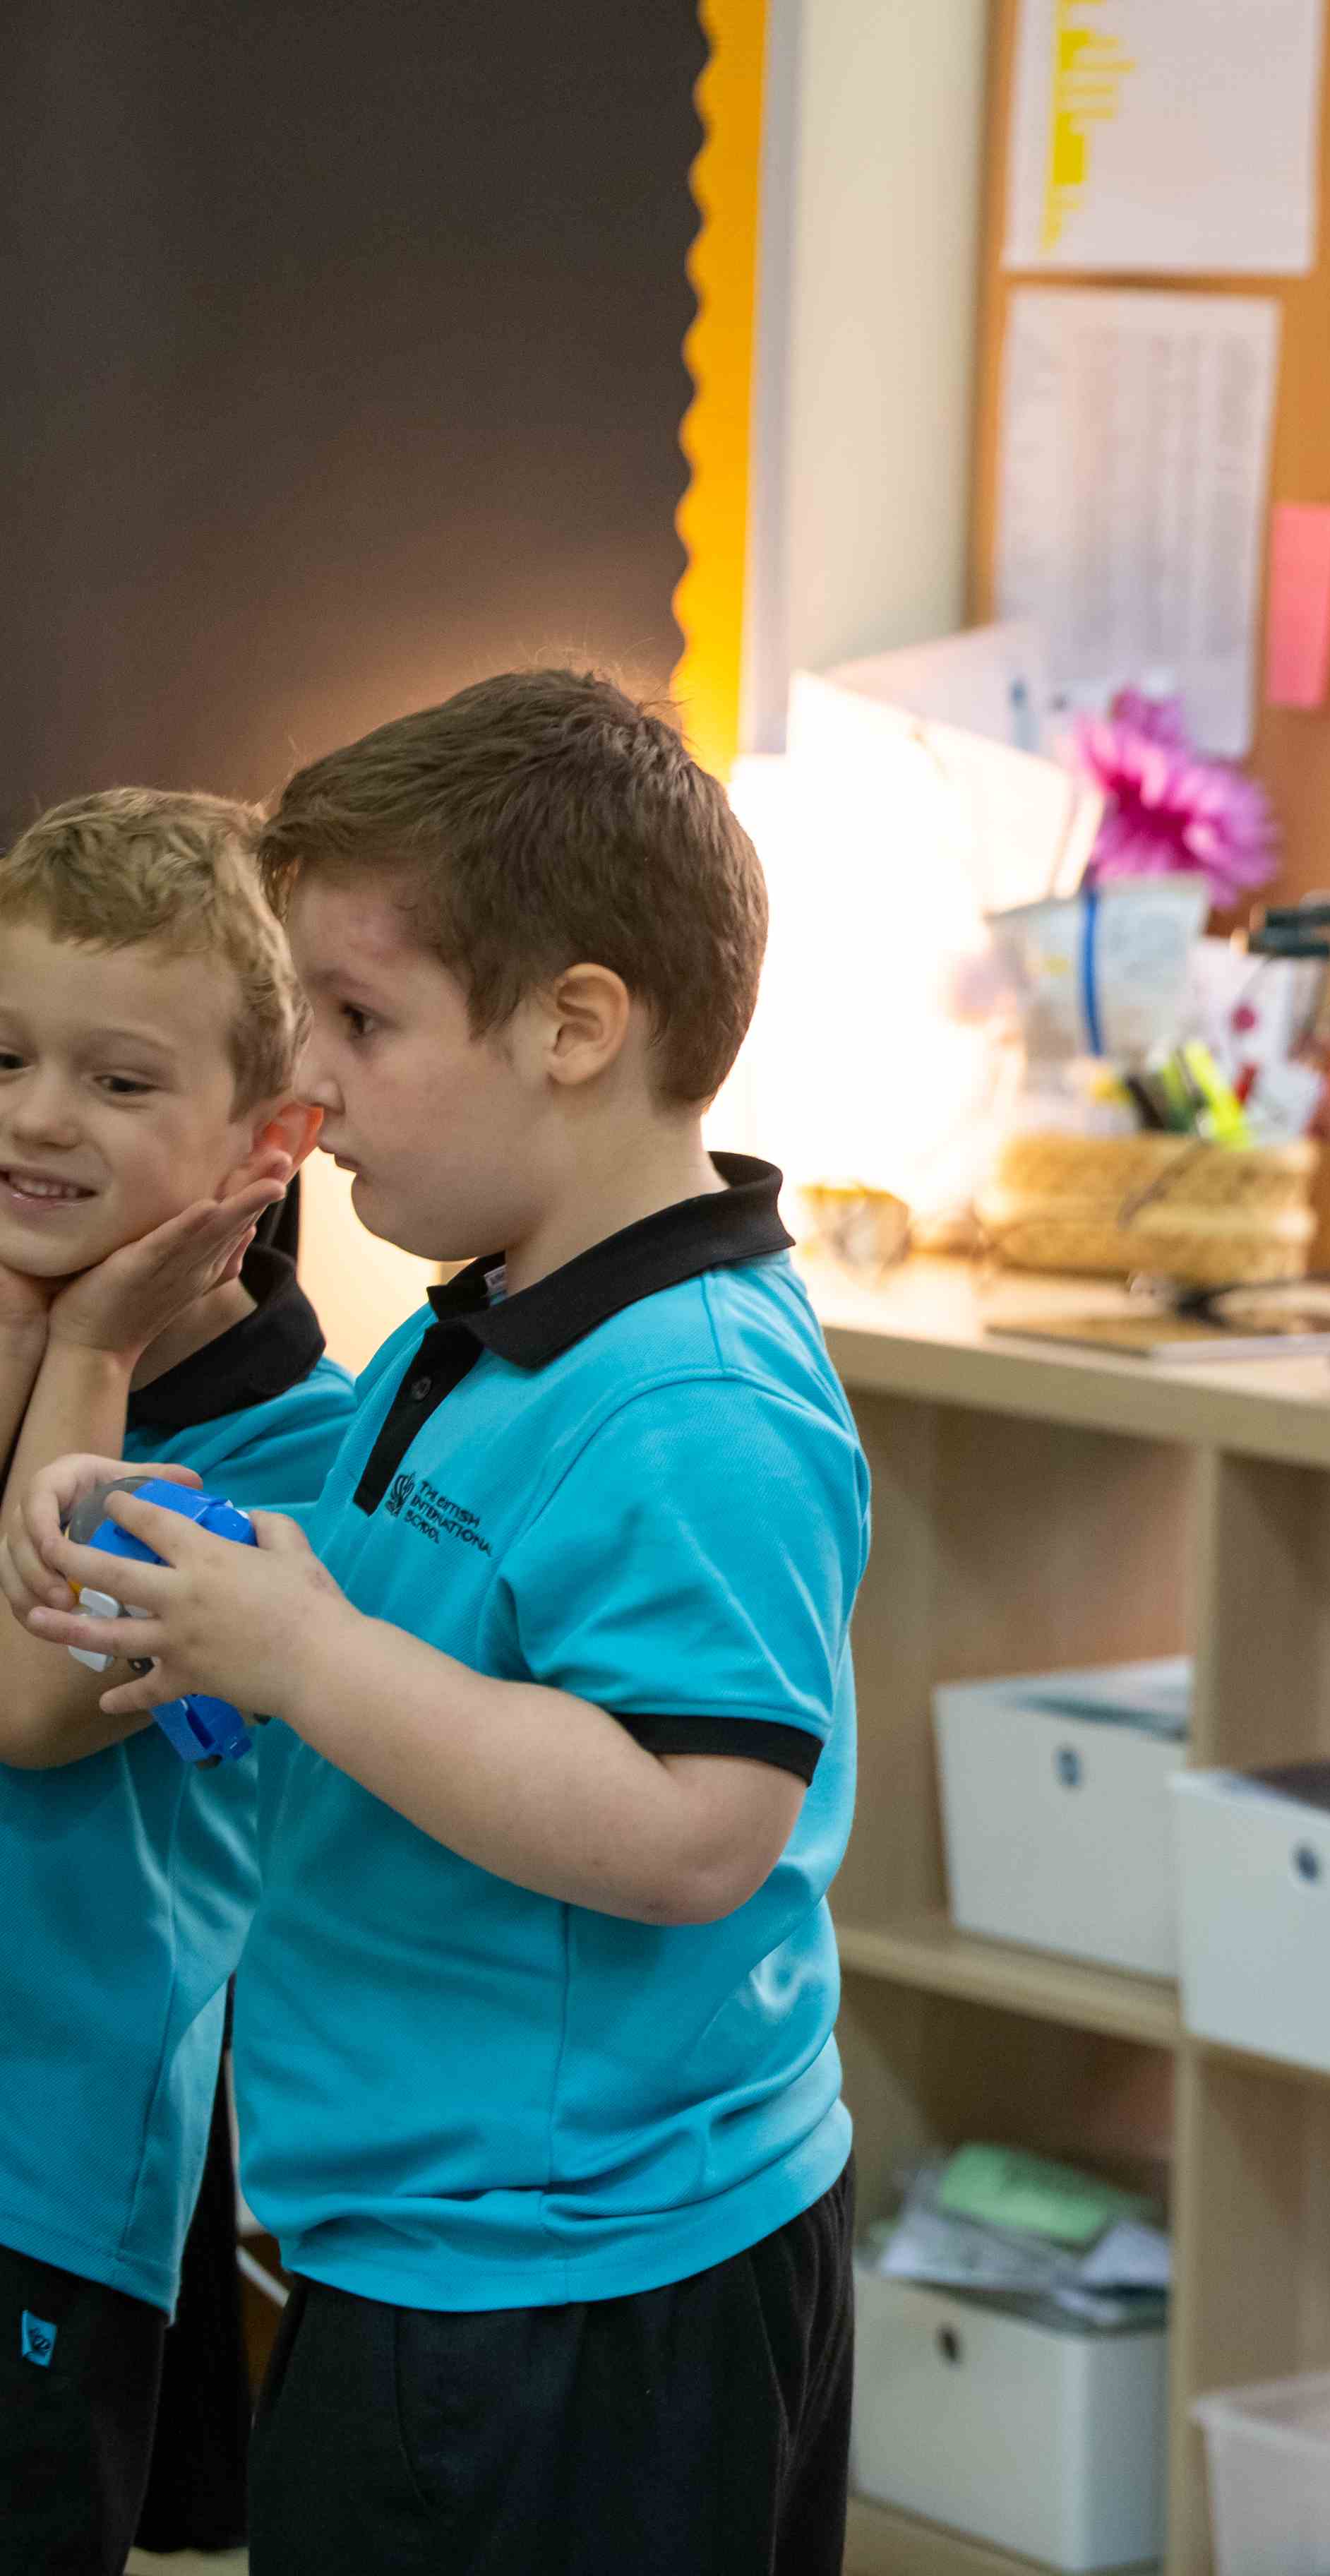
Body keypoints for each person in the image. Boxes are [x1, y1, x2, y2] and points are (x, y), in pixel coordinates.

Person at [14, 673, 870, 2575]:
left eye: (361, 1023)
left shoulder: (698, 1396)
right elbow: (431, 1632)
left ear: (574, 1027)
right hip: (438, 2248)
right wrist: (225, 1577)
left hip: (573, 2285)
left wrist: (306, 1653)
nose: (307, 1089)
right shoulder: (473, 1330)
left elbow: (696, 1827)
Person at [0, 789, 355, 2576]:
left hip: (45, 2183)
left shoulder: (299, 1452)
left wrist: (84, 1340)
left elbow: (27, 1704)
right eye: (5, 1056)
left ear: (265, 1143)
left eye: (120, 1080)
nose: (36, 1116)